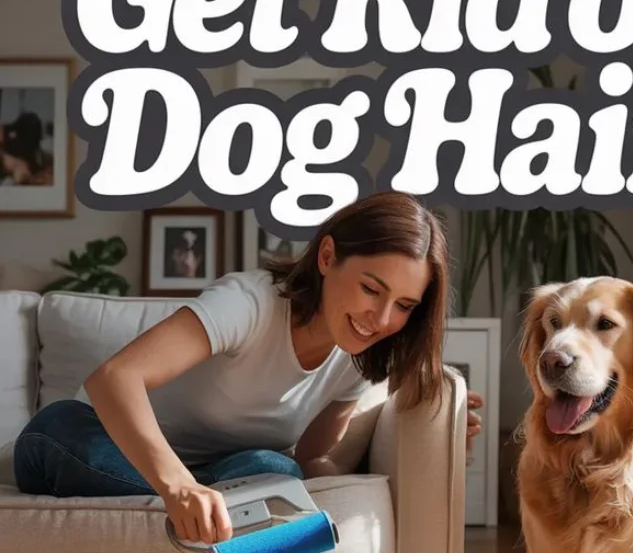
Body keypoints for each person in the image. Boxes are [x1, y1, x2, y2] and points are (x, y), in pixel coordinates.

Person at [13, 191, 484, 546]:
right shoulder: (250, 302)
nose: (380, 319)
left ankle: (214, 507)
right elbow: (116, 378)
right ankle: (217, 506)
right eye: (371, 289)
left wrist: (442, 437)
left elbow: (314, 462)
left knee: (276, 468)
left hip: (219, 472)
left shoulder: (359, 353)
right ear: (327, 257)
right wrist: (178, 487)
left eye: (403, 305)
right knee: (58, 430)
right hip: (98, 439)